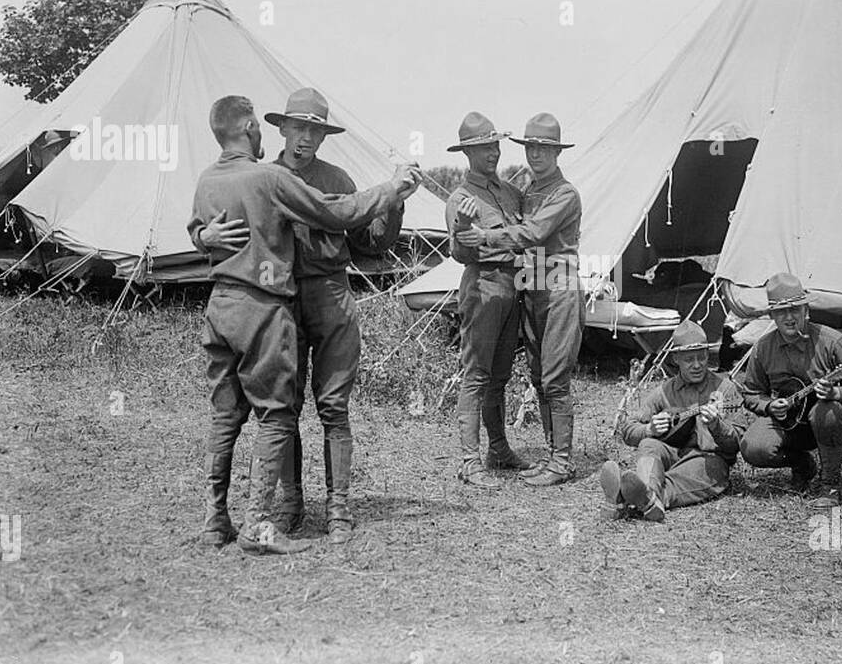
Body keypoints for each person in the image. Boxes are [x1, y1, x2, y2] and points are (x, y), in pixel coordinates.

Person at [186, 95, 421, 554]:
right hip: (280, 301)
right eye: (299, 128)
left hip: (327, 297)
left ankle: (337, 509)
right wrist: (201, 236)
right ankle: (286, 507)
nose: (307, 138)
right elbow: (338, 213)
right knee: (282, 410)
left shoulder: (328, 178)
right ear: (275, 128)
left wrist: (393, 204)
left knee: (331, 406)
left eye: (316, 131)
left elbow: (372, 241)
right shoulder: (269, 176)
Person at [456, 113, 583, 487]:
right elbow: (460, 244)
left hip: (558, 287)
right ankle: (549, 455)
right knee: (537, 375)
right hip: (530, 288)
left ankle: (562, 461)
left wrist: (488, 238)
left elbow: (533, 231)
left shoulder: (564, 193)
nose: (536, 154)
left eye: (544, 148)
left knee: (555, 377)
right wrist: (469, 233)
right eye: (530, 147)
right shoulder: (524, 192)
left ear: (557, 151)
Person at [737, 271, 842, 508]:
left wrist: (837, 394)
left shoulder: (833, 342)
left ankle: (830, 486)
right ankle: (803, 465)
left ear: (807, 310)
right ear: (772, 315)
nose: (789, 317)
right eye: (782, 312)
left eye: (795, 309)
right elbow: (751, 393)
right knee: (753, 447)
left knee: (827, 411)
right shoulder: (763, 348)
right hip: (792, 422)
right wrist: (770, 405)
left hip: (835, 420)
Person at [445, 111, 531, 488]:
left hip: (514, 286)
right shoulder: (461, 200)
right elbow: (460, 254)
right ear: (467, 152)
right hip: (483, 286)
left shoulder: (511, 193)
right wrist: (465, 228)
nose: (492, 153)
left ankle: (498, 449)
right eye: (483, 148)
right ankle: (469, 460)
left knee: (500, 375)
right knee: (476, 374)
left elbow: (530, 235)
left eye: (495, 145)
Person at [602, 321, 742, 522]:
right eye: (689, 359)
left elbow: (737, 442)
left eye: (702, 357)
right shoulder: (665, 391)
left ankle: (627, 498)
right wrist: (649, 429)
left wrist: (716, 426)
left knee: (704, 468)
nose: (697, 365)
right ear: (676, 359)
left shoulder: (725, 388)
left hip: (708, 461)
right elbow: (628, 428)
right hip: (673, 455)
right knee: (649, 444)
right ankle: (644, 497)